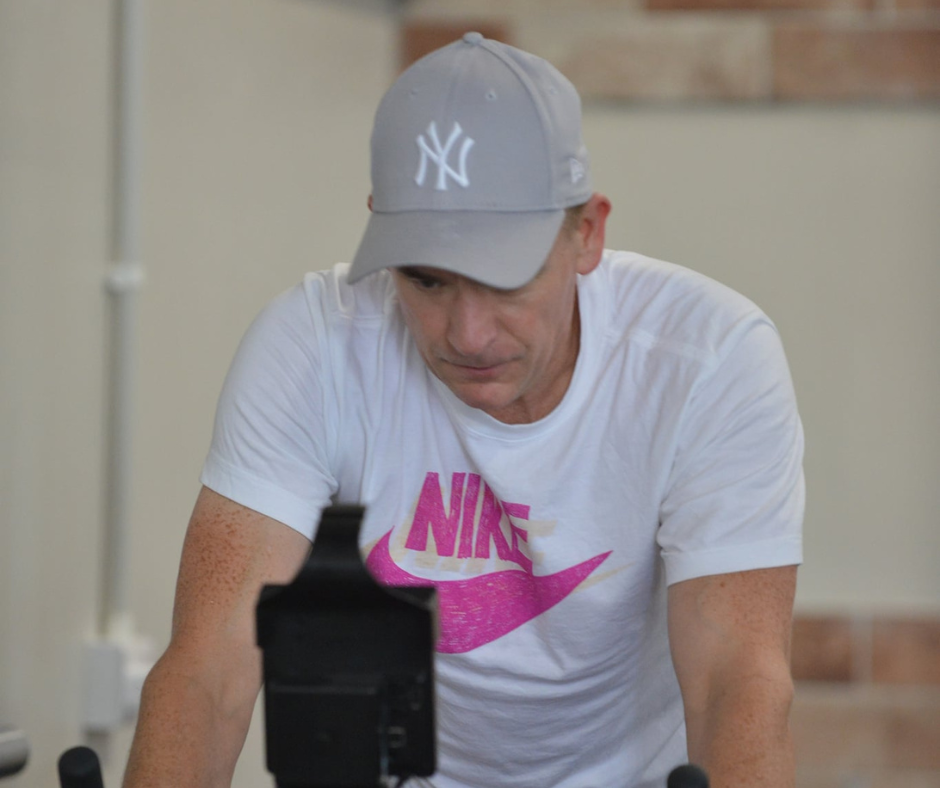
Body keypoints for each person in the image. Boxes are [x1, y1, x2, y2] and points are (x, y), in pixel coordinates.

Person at [123, 32, 804, 788]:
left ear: (587, 233)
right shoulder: (314, 343)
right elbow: (208, 674)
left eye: (506, 280)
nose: (468, 335)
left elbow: (735, 683)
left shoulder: (707, 358)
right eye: (428, 281)